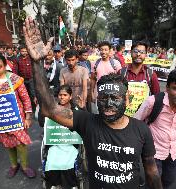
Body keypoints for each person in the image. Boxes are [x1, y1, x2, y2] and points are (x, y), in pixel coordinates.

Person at [23, 16, 162, 188]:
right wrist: (36, 62)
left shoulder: (141, 130)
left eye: (115, 98)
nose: (109, 103)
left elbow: (151, 171)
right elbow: (49, 108)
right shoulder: (87, 122)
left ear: (126, 98)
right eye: (103, 98)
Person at [134, 69, 176, 188]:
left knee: (168, 182)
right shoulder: (153, 101)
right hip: (153, 153)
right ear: (167, 88)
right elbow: (135, 123)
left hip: (175, 153)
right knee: (153, 184)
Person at [0, 53, 36, 178]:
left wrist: (28, 117)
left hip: (17, 119)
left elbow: (26, 99)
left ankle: (25, 166)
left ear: (5, 66)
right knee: (8, 144)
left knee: (20, 143)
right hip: (0, 120)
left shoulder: (15, 79)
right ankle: (14, 165)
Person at [43, 85, 85, 189]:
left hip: (71, 144)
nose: (62, 97)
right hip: (55, 143)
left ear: (70, 96)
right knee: (52, 159)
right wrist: (42, 109)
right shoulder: (52, 110)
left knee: (69, 161)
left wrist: (82, 109)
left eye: (65, 95)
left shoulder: (75, 109)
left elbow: (85, 124)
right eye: (60, 95)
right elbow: (42, 123)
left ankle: (72, 184)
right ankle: (55, 183)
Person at [15, 45, 36, 112]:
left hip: (31, 79)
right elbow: (15, 70)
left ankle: (34, 108)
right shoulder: (17, 59)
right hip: (22, 80)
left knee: (33, 93)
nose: (24, 52)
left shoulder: (31, 58)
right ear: (20, 51)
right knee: (24, 94)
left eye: (25, 51)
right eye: (22, 51)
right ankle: (25, 108)